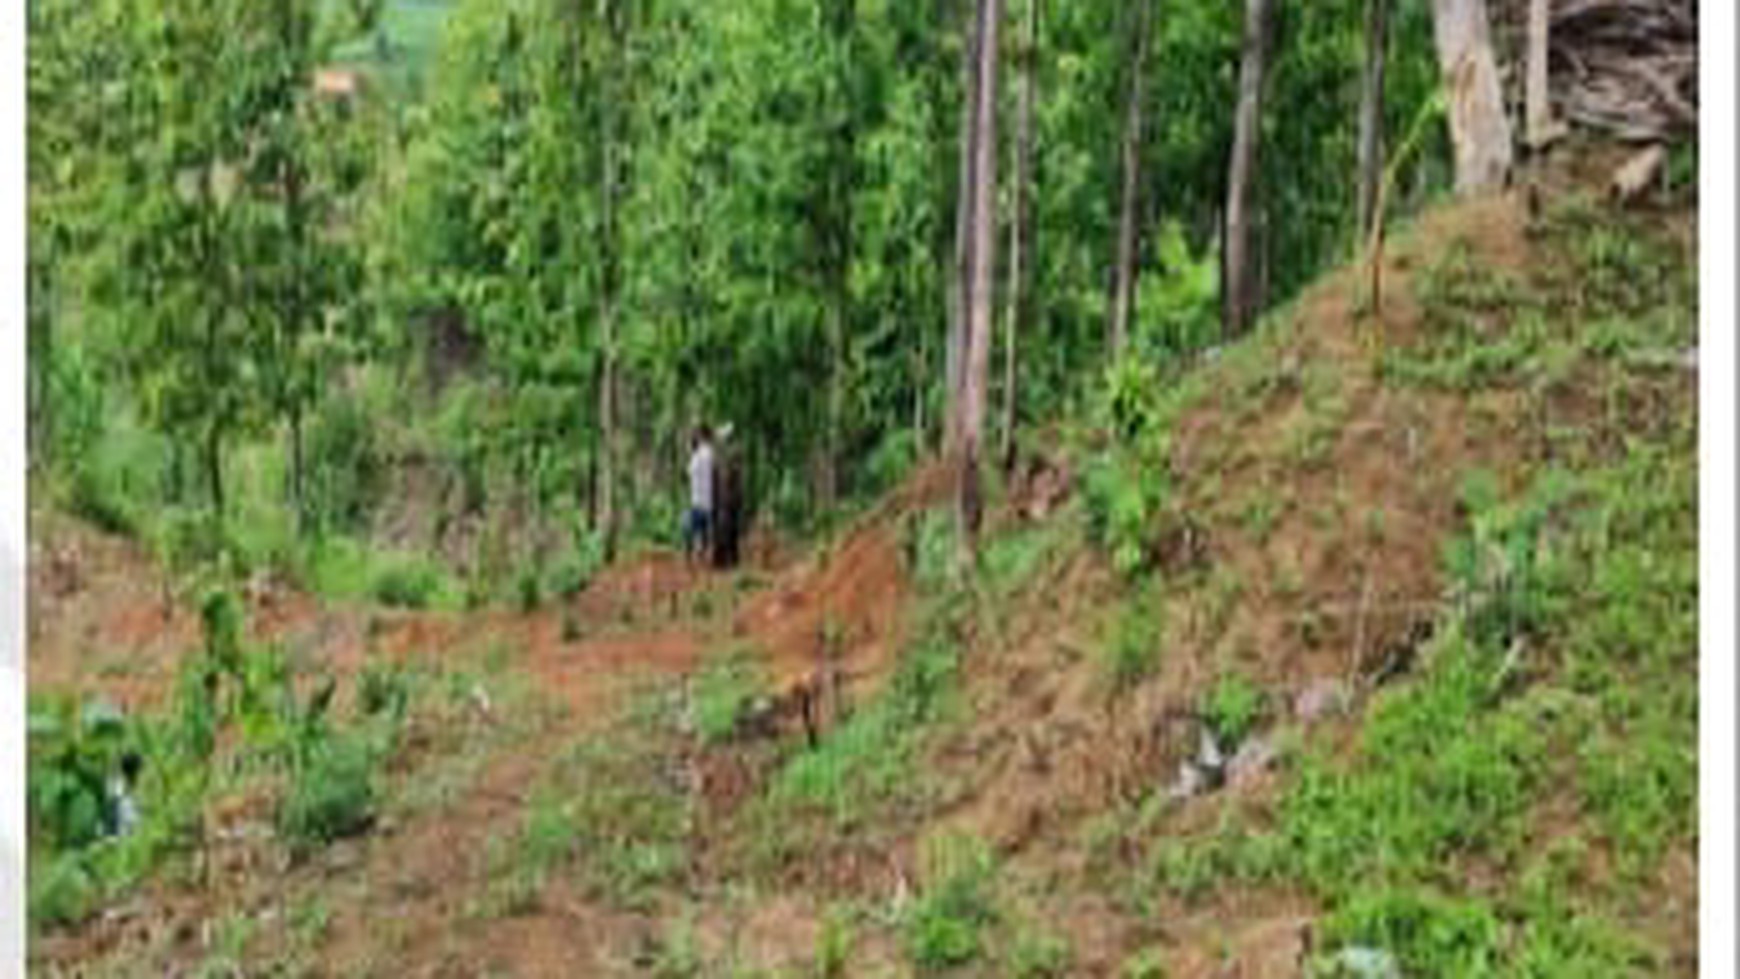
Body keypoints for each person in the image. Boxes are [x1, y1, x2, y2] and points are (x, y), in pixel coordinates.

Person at [684, 425, 715, 566]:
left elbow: (688, 474)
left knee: (689, 529)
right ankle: (699, 557)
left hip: (699, 502)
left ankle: (691, 559)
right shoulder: (704, 454)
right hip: (705, 502)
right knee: (702, 534)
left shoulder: (701, 455)